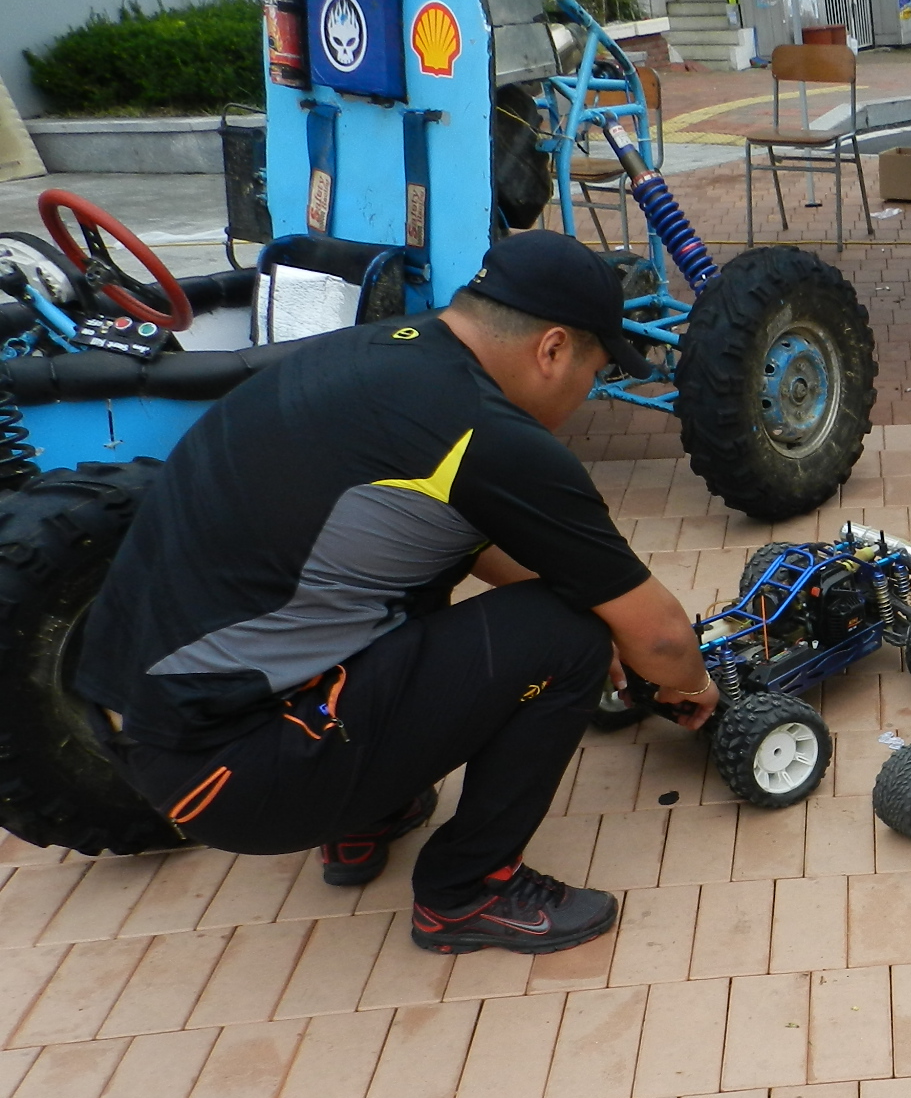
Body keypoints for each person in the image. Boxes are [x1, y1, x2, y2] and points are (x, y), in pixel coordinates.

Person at [77, 230, 718, 956]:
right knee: (566, 637)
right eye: (594, 373)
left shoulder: (377, 355)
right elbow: (661, 636)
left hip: (139, 726)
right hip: (228, 777)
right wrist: (692, 686)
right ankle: (468, 890)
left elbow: (457, 539)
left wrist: (600, 606)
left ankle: (366, 817)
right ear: (553, 349)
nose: (584, 396)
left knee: (423, 566)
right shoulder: (487, 433)